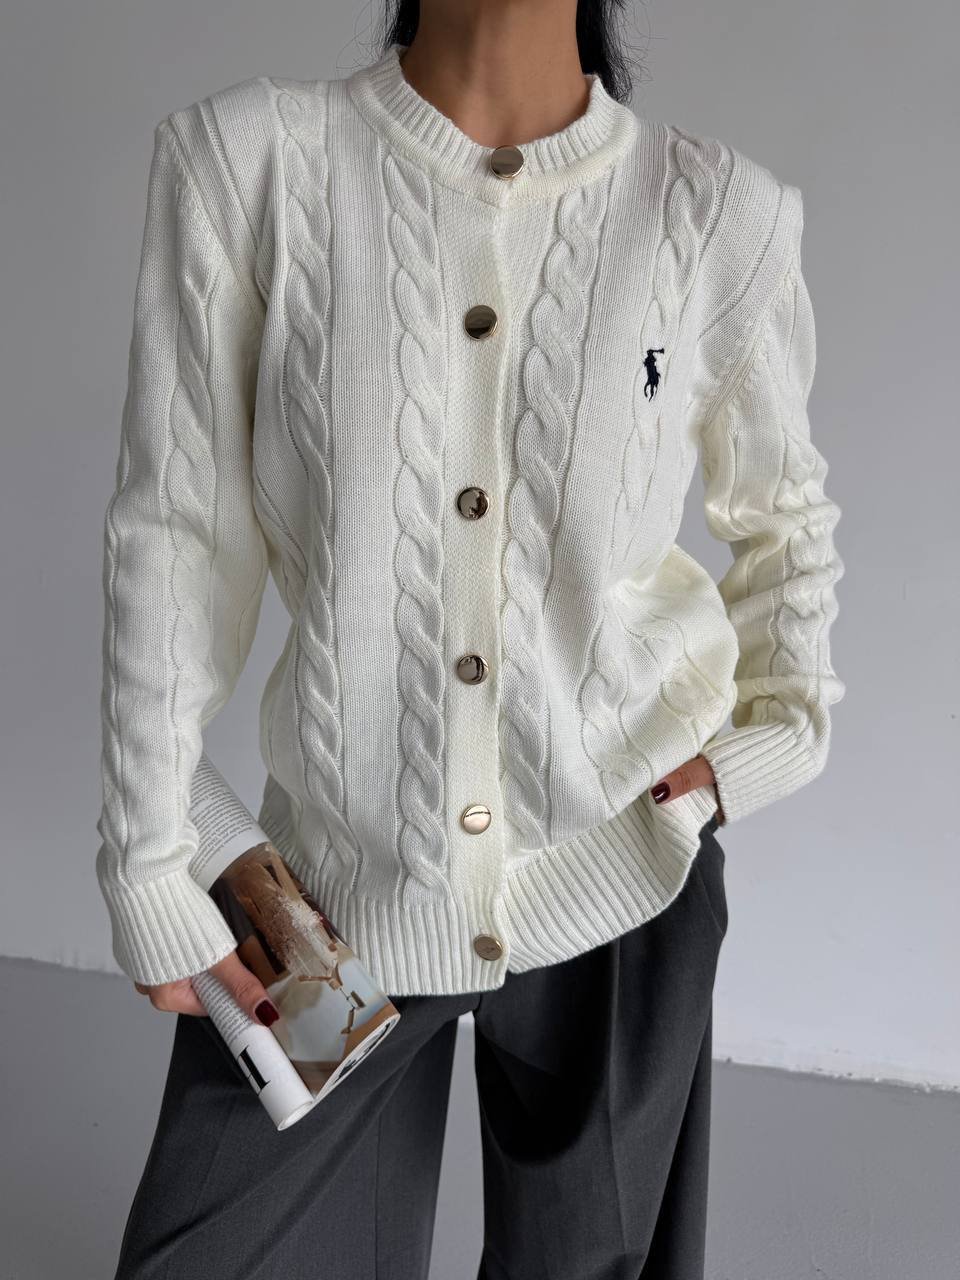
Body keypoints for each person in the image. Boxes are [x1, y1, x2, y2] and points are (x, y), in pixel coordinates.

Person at [95, 1, 845, 1276]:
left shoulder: (717, 213)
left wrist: (766, 741)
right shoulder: (252, 164)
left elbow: (787, 522)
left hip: (624, 865)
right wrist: (155, 857)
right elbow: (174, 535)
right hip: (333, 889)